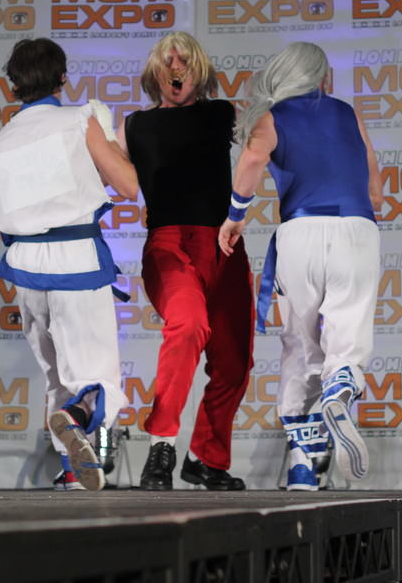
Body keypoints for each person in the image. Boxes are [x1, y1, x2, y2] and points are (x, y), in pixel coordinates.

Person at [218, 42, 384, 490]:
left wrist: (235, 216)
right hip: (356, 228)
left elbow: (253, 159)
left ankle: (302, 464)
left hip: (302, 232)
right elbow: (375, 184)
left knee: (299, 342)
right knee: (348, 327)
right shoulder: (348, 113)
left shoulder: (272, 117)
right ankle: (342, 381)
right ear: (321, 77)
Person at [0, 38, 138, 492]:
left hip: (24, 264)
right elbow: (128, 185)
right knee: (95, 377)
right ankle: (76, 417)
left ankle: (71, 468)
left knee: (56, 375)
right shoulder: (79, 119)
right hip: (76, 260)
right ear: (63, 78)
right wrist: (111, 139)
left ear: (13, 84)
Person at [116, 31, 254, 491]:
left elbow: (262, 146)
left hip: (223, 247)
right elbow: (99, 173)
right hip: (169, 245)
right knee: (189, 324)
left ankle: (206, 459)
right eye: (168, 60)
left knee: (234, 363)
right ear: (154, 72)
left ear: (200, 71)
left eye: (185, 60)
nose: (176, 66)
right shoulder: (133, 126)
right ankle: (162, 444)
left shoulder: (221, 113)